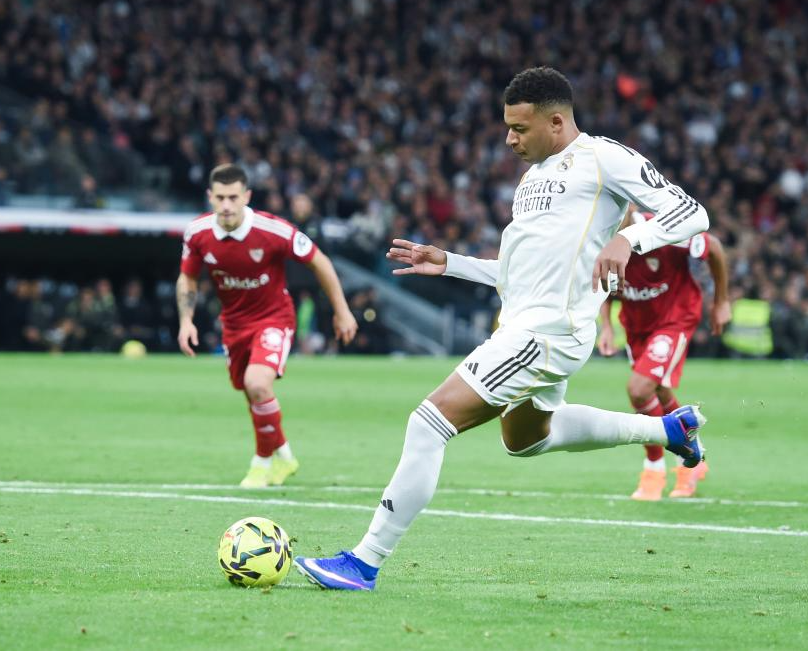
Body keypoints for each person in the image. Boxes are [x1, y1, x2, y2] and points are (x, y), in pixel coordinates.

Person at [294, 67, 710, 591]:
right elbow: (516, 277)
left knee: (428, 424)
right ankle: (667, 430)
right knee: (526, 439)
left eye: (519, 128)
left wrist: (630, 239)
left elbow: (692, 212)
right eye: (508, 127)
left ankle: (363, 563)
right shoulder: (532, 180)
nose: (509, 139)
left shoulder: (603, 157)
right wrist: (451, 263)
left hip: (546, 333)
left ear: (556, 122)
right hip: (530, 324)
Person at [177, 164, 357, 488]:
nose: (227, 205)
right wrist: (186, 320)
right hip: (234, 325)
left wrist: (342, 311)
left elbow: (320, 261)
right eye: (220, 198)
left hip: (274, 318)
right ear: (210, 197)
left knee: (257, 383)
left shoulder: (274, 230)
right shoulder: (197, 233)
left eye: (233, 197)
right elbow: (187, 277)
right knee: (253, 394)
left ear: (247, 196)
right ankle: (285, 456)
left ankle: (260, 463)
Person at [597, 210, 731, 501]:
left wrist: (721, 301)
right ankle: (693, 459)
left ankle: (654, 468)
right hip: (636, 324)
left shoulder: (660, 230)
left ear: (630, 207)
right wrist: (605, 326)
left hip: (675, 317)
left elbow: (714, 248)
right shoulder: (599, 234)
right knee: (658, 390)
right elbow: (605, 284)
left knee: (639, 389)